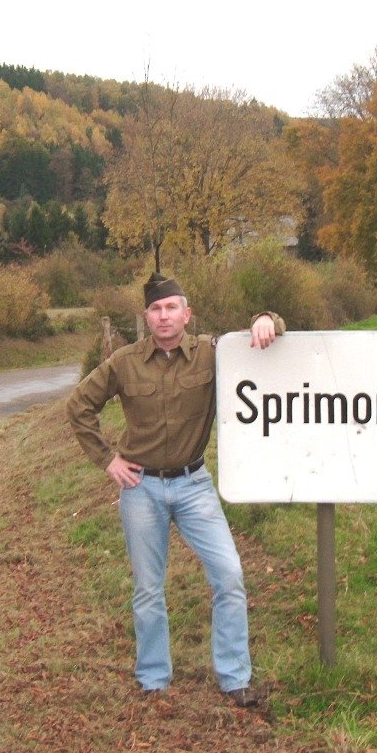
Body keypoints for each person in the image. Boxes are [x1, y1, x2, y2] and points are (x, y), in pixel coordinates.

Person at [66, 272, 283, 706]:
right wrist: (107, 460)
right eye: (155, 309)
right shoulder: (124, 362)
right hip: (140, 488)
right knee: (148, 589)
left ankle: (235, 678)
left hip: (194, 485)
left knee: (229, 575)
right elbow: (79, 405)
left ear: (187, 314)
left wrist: (267, 320)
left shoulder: (212, 353)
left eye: (171, 308)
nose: (163, 316)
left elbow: (261, 336)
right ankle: (153, 680)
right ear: (146, 317)